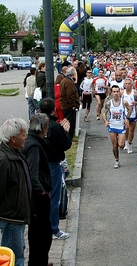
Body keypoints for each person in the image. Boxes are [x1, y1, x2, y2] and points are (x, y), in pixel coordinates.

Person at [21, 113, 53, 266]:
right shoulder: (34, 145)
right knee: (41, 233)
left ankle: (40, 260)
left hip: (35, 195)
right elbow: (33, 173)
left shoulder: (31, 140)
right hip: (38, 197)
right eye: (47, 127)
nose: (47, 130)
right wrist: (41, 190)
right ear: (43, 128)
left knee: (38, 233)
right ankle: (38, 262)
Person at [0, 118, 31, 266]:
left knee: (18, 252)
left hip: (17, 216)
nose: (26, 137)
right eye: (23, 135)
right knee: (14, 258)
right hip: (10, 218)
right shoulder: (4, 159)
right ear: (13, 138)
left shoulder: (16, 154)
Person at [39, 98, 72, 240]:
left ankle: (46, 226)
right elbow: (66, 144)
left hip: (41, 163)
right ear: (53, 109)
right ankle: (53, 229)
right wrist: (65, 131)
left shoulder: (37, 123)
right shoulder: (54, 126)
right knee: (54, 198)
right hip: (53, 163)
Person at [102, 85, 132, 169]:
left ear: (120, 92)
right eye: (114, 92)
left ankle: (121, 144)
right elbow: (104, 113)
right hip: (112, 126)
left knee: (121, 145)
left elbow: (130, 109)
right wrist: (105, 121)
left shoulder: (124, 102)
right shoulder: (109, 103)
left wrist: (127, 119)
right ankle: (116, 160)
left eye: (117, 91)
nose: (115, 93)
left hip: (121, 126)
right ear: (111, 93)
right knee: (115, 145)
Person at [123, 78, 137, 154]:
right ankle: (126, 142)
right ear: (124, 84)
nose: (127, 85)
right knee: (126, 130)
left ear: (132, 85)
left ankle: (130, 144)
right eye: (126, 84)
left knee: (131, 131)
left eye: (129, 84)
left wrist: (136, 102)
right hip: (125, 114)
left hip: (133, 114)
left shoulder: (134, 92)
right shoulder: (122, 92)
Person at [60, 66, 80, 139]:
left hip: (65, 105)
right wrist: (73, 106)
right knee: (70, 123)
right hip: (68, 106)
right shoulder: (68, 82)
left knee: (67, 122)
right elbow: (70, 95)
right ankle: (69, 137)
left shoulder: (64, 80)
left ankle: (68, 136)